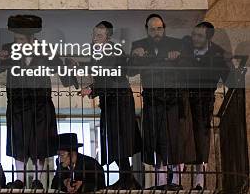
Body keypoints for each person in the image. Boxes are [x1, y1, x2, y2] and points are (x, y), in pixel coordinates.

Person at [0, 15, 77, 189]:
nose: (18, 42)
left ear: (31, 38)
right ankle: (20, 179)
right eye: (16, 39)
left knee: (40, 143)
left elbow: (60, 70)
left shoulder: (45, 50)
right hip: (17, 103)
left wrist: (69, 68)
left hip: (40, 103)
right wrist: (1, 58)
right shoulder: (9, 49)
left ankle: (37, 179)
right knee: (18, 142)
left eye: (21, 39)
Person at [129, 13, 195, 190]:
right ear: (147, 30)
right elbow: (130, 71)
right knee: (155, 139)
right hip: (151, 99)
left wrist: (178, 57)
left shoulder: (177, 43)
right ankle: (160, 182)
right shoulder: (138, 45)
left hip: (173, 99)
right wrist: (136, 56)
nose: (156, 32)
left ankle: (175, 181)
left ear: (164, 28)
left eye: (159, 28)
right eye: (152, 29)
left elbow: (188, 68)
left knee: (174, 139)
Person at [80, 21, 142, 189]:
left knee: (118, 139)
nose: (94, 38)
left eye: (99, 35)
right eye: (94, 34)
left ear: (108, 37)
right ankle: (128, 179)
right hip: (111, 100)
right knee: (114, 140)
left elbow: (108, 74)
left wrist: (91, 89)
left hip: (119, 100)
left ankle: (127, 179)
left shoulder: (113, 50)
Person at [183, 21, 230, 190]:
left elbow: (229, 79)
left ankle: (199, 181)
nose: (195, 38)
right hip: (185, 98)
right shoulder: (185, 44)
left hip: (203, 101)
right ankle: (175, 179)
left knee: (201, 137)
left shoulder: (217, 54)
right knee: (183, 135)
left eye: (199, 36)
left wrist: (231, 64)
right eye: (194, 34)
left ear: (208, 38)